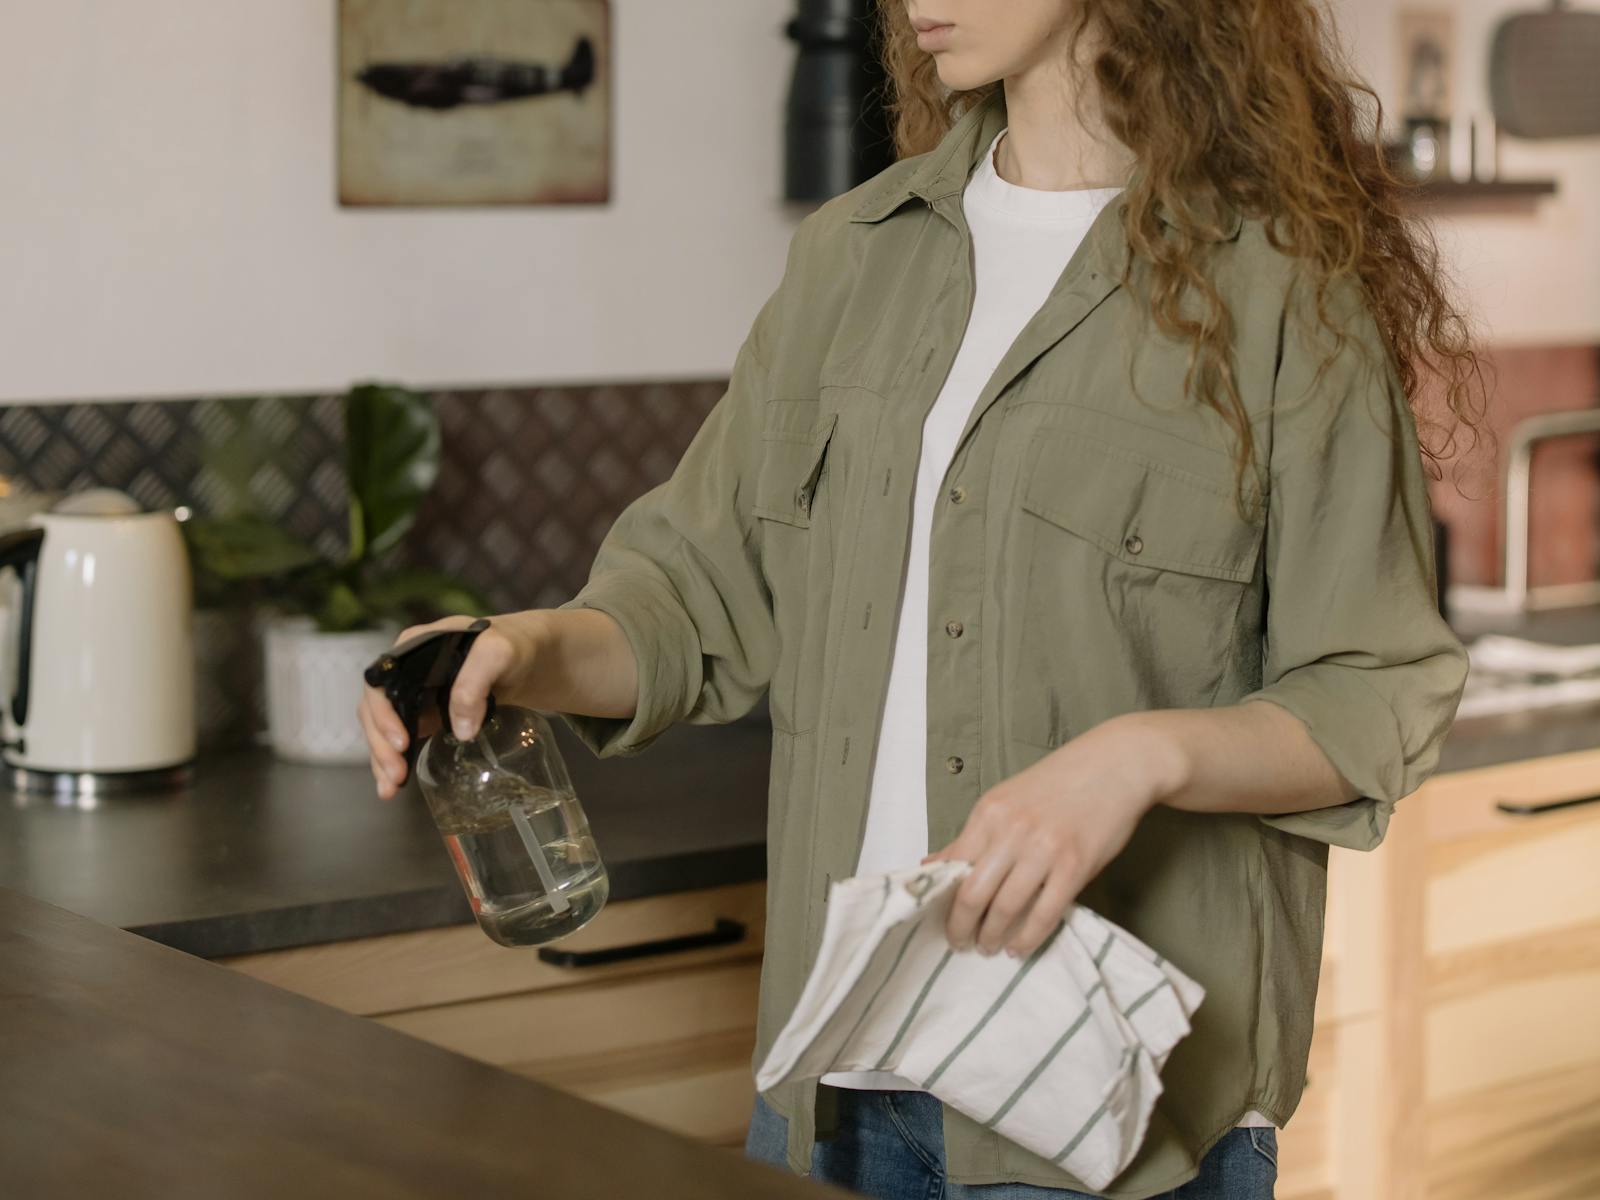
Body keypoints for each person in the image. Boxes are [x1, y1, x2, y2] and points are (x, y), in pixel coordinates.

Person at [359, 0, 1485, 1195]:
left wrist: (1138, 758)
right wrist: (518, 649)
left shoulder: (1278, 285)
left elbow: (1375, 687)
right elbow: (695, 600)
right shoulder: (855, 253)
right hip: (837, 1082)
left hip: (1108, 1114)